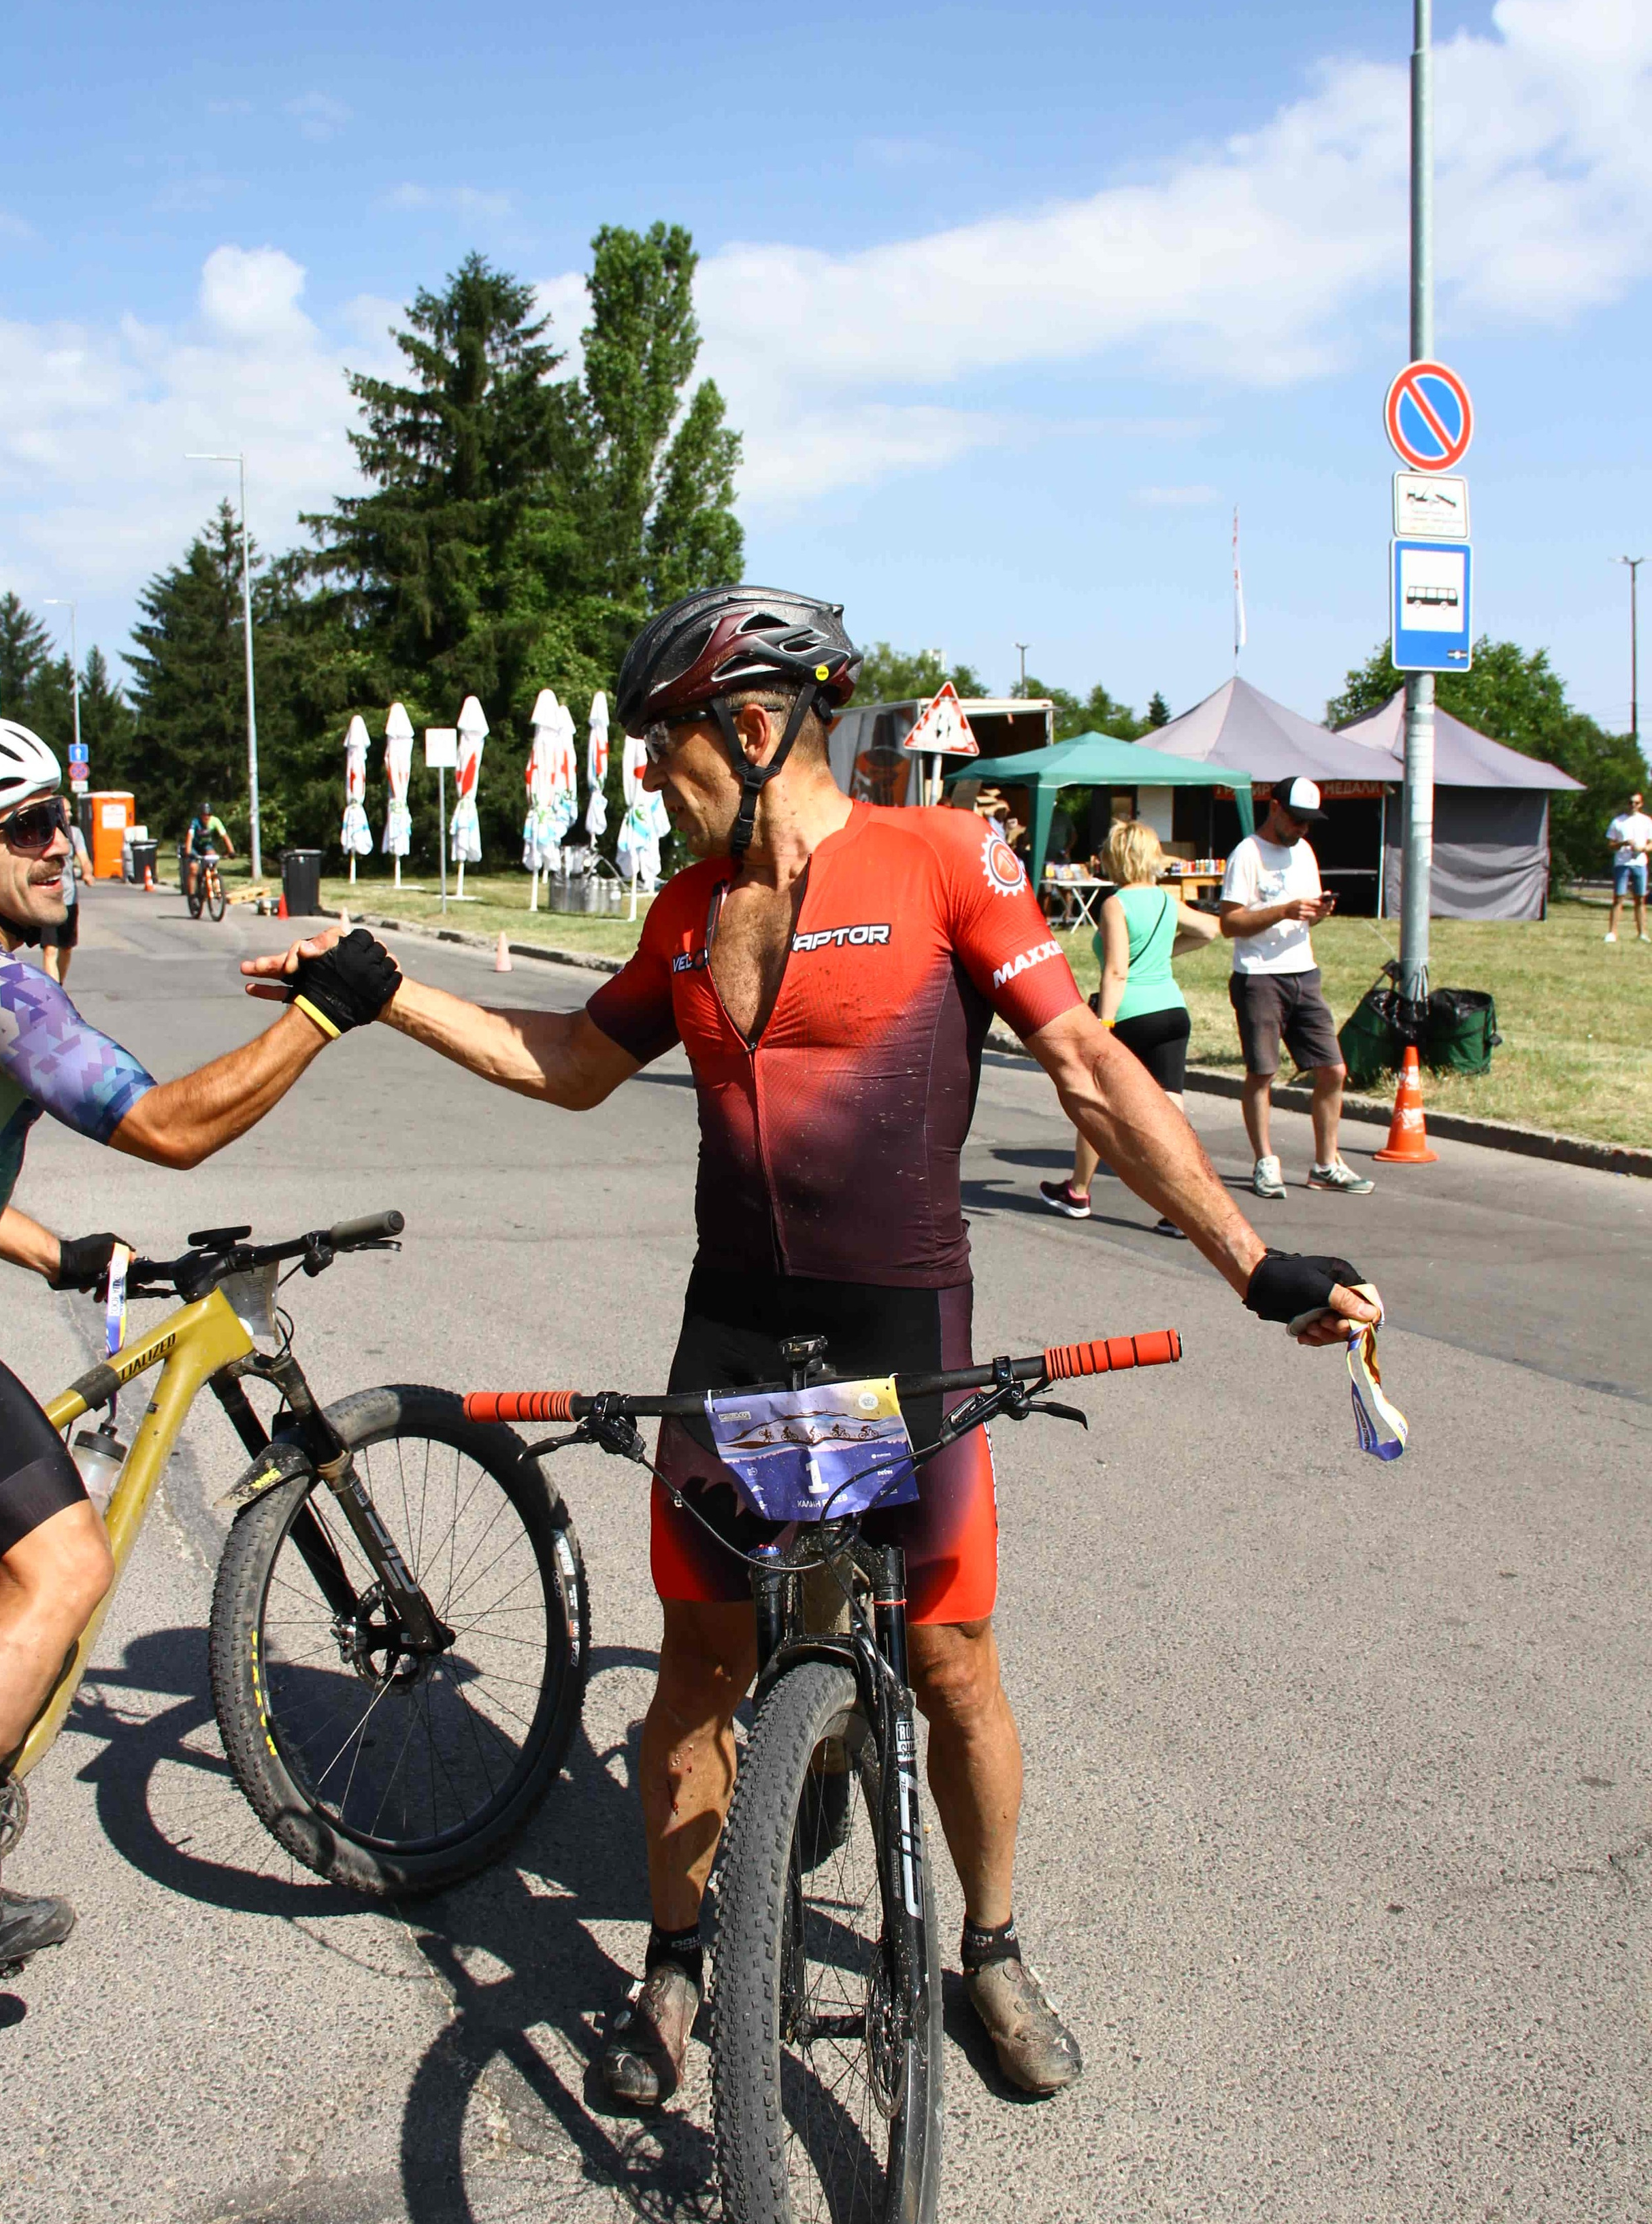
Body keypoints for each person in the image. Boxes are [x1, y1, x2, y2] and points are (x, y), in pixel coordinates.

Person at [247, 585, 1381, 2110]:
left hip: (895, 1336)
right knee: (698, 1673)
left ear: (756, 724)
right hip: (734, 1338)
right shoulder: (686, 911)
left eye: (664, 746)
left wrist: (1252, 1263)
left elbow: (1088, 1068)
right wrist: (386, 994)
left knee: (948, 1664)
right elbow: (573, 1063)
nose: (649, 775)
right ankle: (669, 1962)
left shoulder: (938, 860)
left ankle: (988, 1945)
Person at [0, 717, 399, 1974]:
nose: (59, 845)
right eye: (27, 830)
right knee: (60, 1563)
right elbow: (169, 1127)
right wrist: (325, 1017)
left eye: (55, 821)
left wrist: (52, 1253)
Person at [1040, 818, 1220, 1235]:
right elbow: (1210, 930)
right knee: (1171, 1113)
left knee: (1098, 1101)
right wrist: (1165, 955)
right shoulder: (1165, 900)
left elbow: (1117, 970)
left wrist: (1104, 1023)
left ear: (1116, 857)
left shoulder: (1115, 904)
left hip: (1131, 1013)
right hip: (1173, 1010)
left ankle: (1079, 1190)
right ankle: (1183, 1210)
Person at [1220, 777, 1373, 1201]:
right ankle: (1266, 1162)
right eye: (1296, 819)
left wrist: (1317, 912)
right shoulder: (1247, 855)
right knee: (1263, 1071)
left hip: (1304, 970)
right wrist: (1283, 910)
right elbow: (1229, 923)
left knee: (1333, 1070)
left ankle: (1326, 1163)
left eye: (1309, 822)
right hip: (1259, 975)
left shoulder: (1304, 851)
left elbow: (1303, 914)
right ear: (1273, 809)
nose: (1302, 829)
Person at [39, 802, 93, 989]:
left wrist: (87, 872)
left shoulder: (75, 834)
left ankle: (59, 985)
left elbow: (84, 858)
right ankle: (54, 992)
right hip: (48, 899)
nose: (69, 815)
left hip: (69, 897)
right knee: (50, 949)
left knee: (67, 948)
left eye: (70, 811)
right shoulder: (44, 832)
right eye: (66, 811)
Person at [1604, 790, 1651, 944]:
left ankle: (1642, 933)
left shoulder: (1646, 821)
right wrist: (1623, 843)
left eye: (1636, 803)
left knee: (1640, 898)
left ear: (1641, 804)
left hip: (1640, 863)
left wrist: (1643, 849)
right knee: (1619, 897)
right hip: (1622, 864)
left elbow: (1651, 843)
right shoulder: (1618, 822)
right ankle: (1612, 933)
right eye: (1631, 802)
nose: (1633, 805)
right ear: (1627, 804)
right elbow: (1610, 844)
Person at [180, 798, 233, 903]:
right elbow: (190, 836)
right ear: (201, 815)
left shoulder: (215, 821)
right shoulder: (195, 822)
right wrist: (188, 851)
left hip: (206, 846)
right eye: (205, 815)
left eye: (209, 815)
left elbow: (225, 836)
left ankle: (216, 886)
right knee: (193, 869)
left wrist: (231, 851)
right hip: (195, 848)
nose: (207, 818)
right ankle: (192, 897)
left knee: (212, 859)